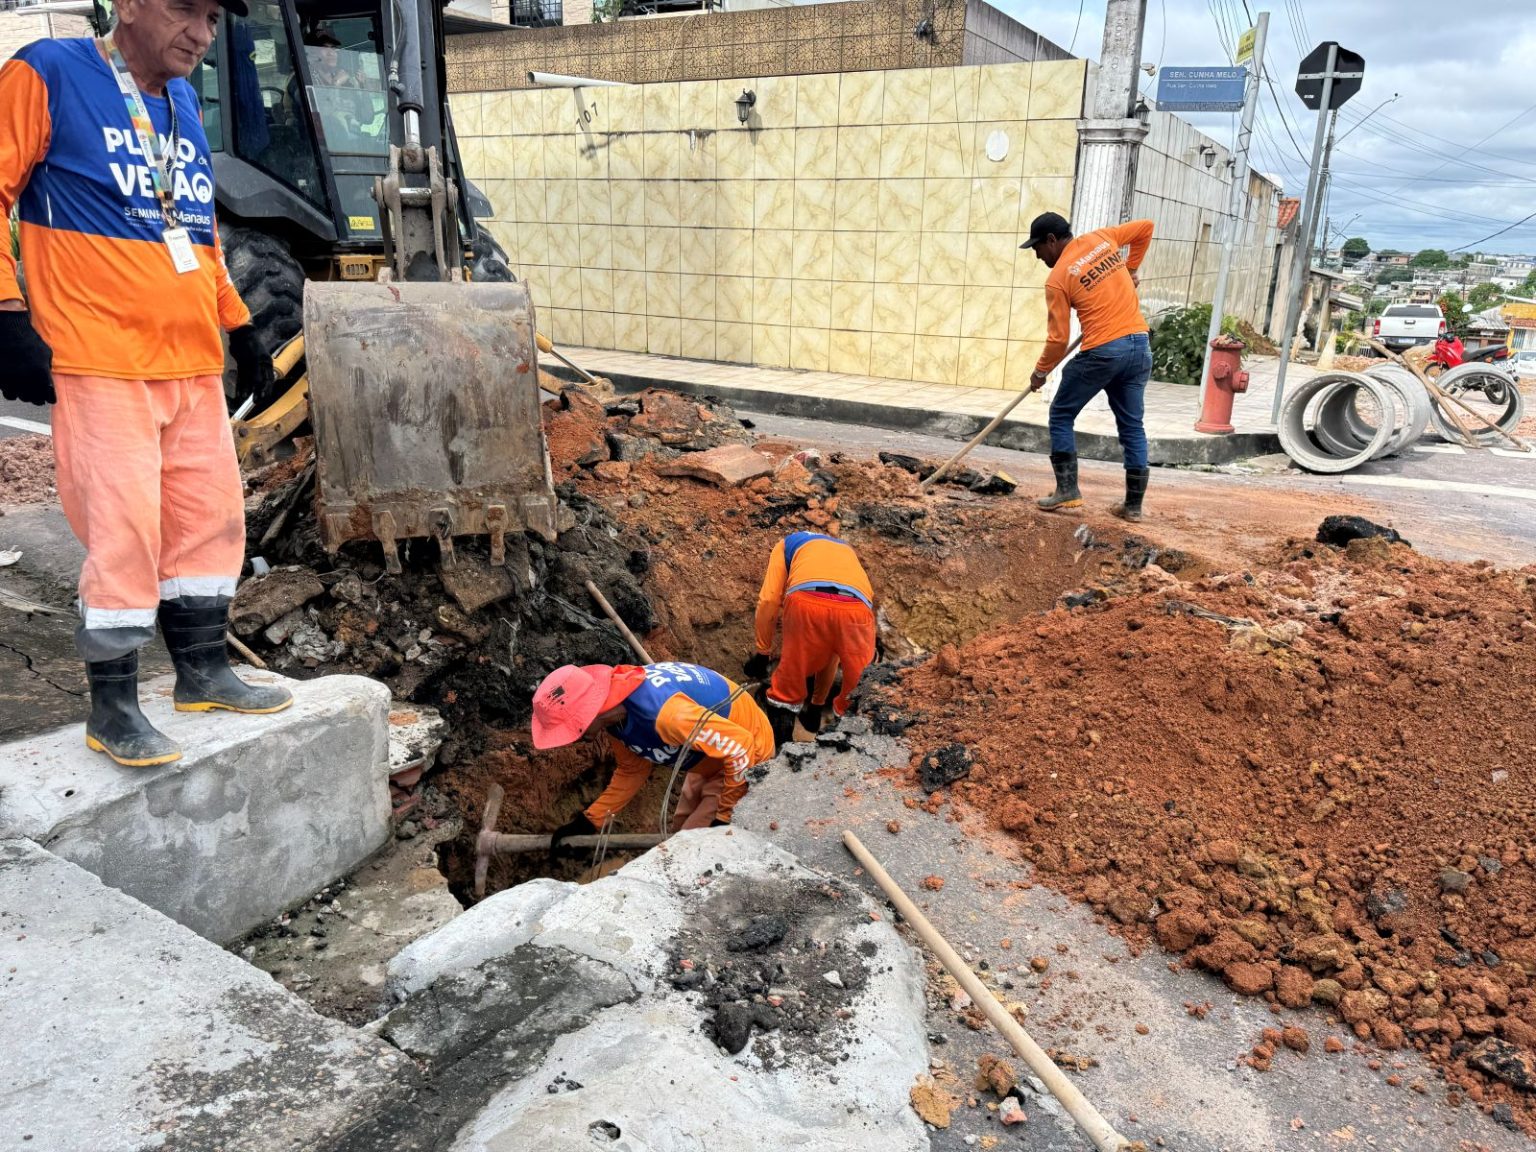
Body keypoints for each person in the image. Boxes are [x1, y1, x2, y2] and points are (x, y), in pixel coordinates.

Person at [0, 0, 287, 768]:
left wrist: (237, 324)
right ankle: (114, 706)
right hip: (101, 359)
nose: (200, 32)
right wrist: (4, 308)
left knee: (208, 525)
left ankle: (203, 671)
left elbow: (194, 226)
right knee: (124, 536)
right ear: (128, 3)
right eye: (182, 9)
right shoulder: (48, 74)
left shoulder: (183, 101)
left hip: (190, 362)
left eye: (213, 17)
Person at [533, 661, 775, 856]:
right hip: (705, 754)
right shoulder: (615, 715)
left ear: (588, 715)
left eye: (571, 731)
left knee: (689, 852)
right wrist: (591, 820)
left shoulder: (666, 716)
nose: (572, 740)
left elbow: (739, 747)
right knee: (680, 829)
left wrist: (724, 818)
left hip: (746, 754)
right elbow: (632, 770)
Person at [1020, 211, 1156, 522]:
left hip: (1104, 352)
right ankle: (1133, 507)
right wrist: (1129, 268)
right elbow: (1145, 228)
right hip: (1139, 346)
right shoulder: (1102, 239)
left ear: (1052, 241)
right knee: (1132, 427)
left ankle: (1067, 491)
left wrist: (1040, 372)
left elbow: (1058, 340)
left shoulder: (1057, 280)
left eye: (1038, 249)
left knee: (1061, 412)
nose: (1038, 257)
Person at [744, 531, 876, 747]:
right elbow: (831, 648)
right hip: (858, 610)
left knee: (788, 682)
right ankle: (843, 751)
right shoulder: (845, 550)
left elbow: (768, 601)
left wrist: (762, 653)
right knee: (857, 691)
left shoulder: (785, 545)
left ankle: (781, 755)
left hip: (807, 602)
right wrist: (816, 705)